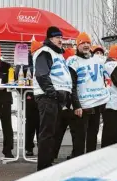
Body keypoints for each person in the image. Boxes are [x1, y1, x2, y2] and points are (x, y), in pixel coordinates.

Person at [33, 26, 75, 171]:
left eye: (61, 38)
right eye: (58, 38)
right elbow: (42, 75)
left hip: (56, 99)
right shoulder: (45, 52)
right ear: (50, 38)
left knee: (52, 133)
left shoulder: (58, 54)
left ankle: (48, 164)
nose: (61, 40)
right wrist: (53, 93)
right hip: (48, 98)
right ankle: (43, 167)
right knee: (47, 133)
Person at [67, 32, 109, 154]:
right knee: (80, 137)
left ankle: (91, 160)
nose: (86, 45)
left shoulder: (97, 60)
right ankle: (78, 161)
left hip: (95, 104)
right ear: (77, 45)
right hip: (82, 105)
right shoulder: (73, 61)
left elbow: (102, 81)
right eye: (83, 43)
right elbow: (71, 85)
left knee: (93, 134)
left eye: (88, 43)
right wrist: (76, 105)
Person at [23, 40, 43, 157]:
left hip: (41, 94)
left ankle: (42, 145)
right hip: (30, 94)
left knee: (41, 123)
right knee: (30, 123)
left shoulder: (44, 60)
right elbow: (20, 71)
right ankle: (28, 147)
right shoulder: (26, 61)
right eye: (34, 51)